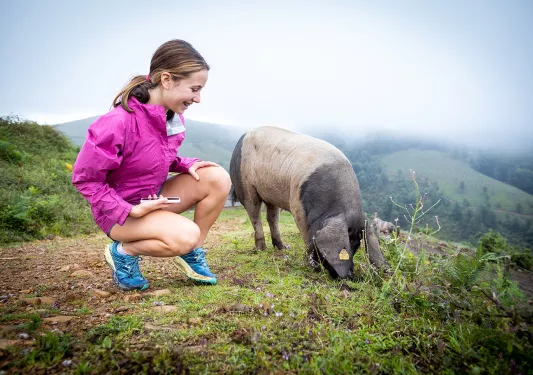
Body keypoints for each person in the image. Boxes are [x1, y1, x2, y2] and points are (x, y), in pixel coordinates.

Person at [72, 39, 231, 291]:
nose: (198, 98)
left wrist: (184, 163)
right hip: (120, 213)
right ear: (166, 79)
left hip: (151, 199)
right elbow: (86, 179)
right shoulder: (116, 123)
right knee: (186, 234)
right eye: (194, 89)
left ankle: (193, 251)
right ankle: (123, 253)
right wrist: (128, 210)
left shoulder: (173, 117)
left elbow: (151, 155)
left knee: (215, 176)